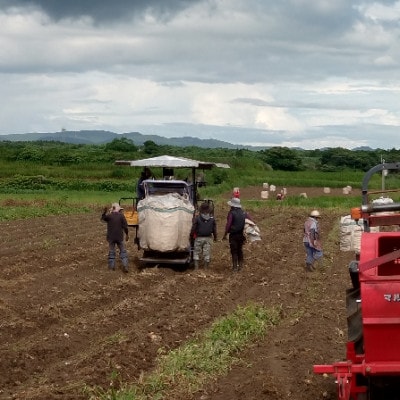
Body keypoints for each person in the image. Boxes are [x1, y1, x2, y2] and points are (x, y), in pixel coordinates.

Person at [222, 197, 253, 271]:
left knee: (234, 251)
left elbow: (228, 224)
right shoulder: (244, 213)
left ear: (233, 205)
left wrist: (225, 234)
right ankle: (241, 266)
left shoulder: (231, 213)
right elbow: (251, 220)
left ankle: (235, 267)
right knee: (240, 249)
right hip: (241, 235)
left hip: (233, 235)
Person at [101, 202, 129, 272]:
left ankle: (111, 267)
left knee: (112, 252)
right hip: (119, 237)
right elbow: (125, 226)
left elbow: (102, 219)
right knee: (123, 251)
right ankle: (125, 265)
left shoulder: (109, 216)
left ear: (112, 209)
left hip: (111, 237)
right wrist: (127, 234)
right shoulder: (121, 216)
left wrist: (104, 212)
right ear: (118, 209)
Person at [190, 202, 217, 269]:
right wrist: (215, 238)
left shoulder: (198, 218)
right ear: (209, 210)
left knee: (196, 253)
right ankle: (206, 268)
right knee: (206, 253)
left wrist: (191, 236)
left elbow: (193, 228)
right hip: (208, 238)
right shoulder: (212, 219)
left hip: (199, 238)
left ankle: (196, 269)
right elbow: (214, 230)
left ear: (201, 209)